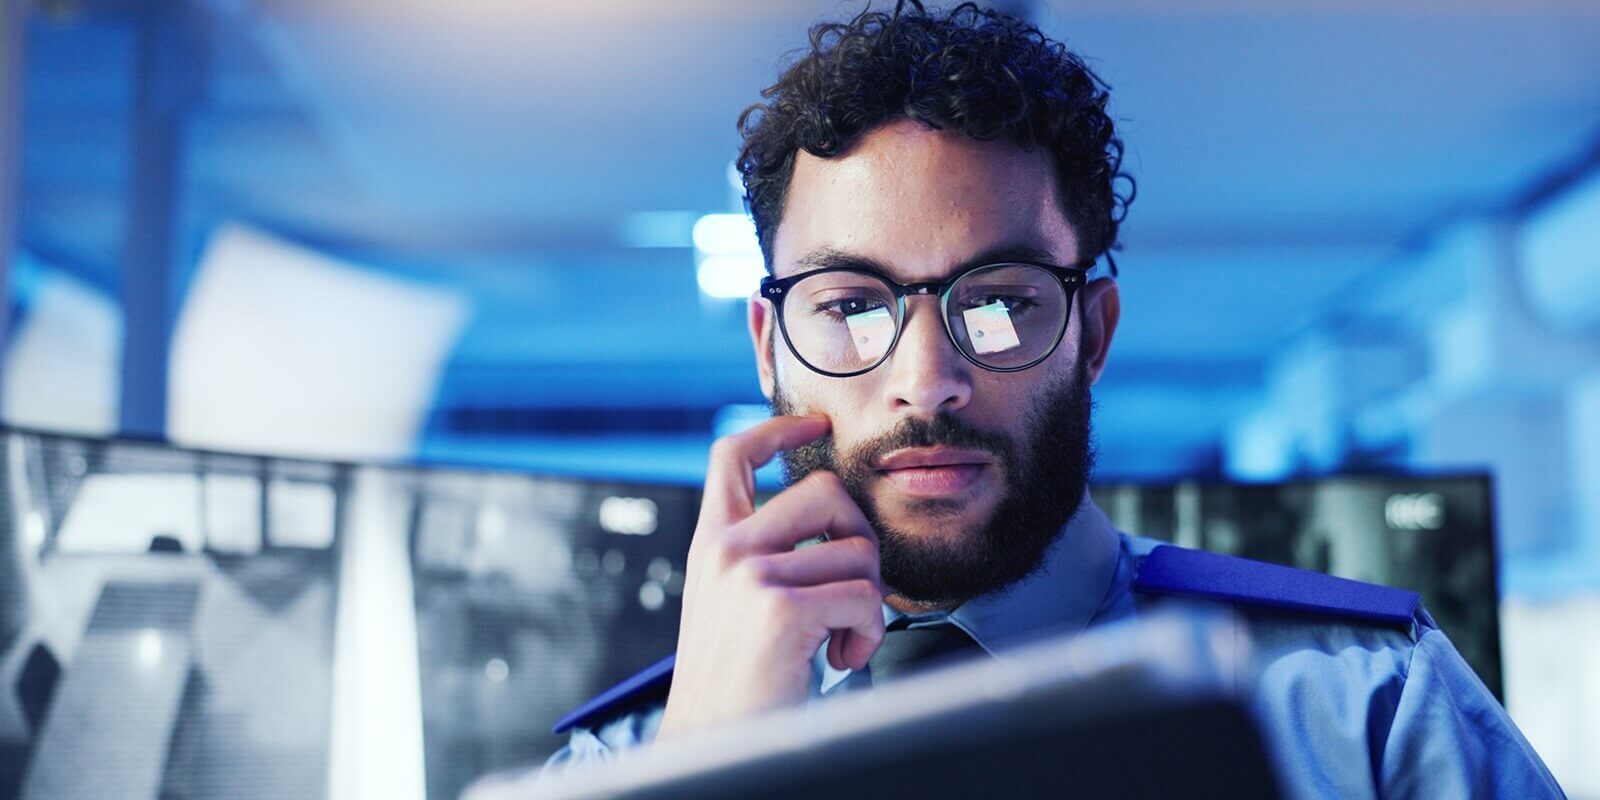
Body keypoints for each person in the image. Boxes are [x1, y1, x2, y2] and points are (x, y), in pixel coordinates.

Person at [533, 3, 1564, 796]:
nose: (925, 376)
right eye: (850, 304)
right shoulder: (621, 762)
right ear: (770, 349)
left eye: (997, 304)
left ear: (1095, 331)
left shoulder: (1369, 702)